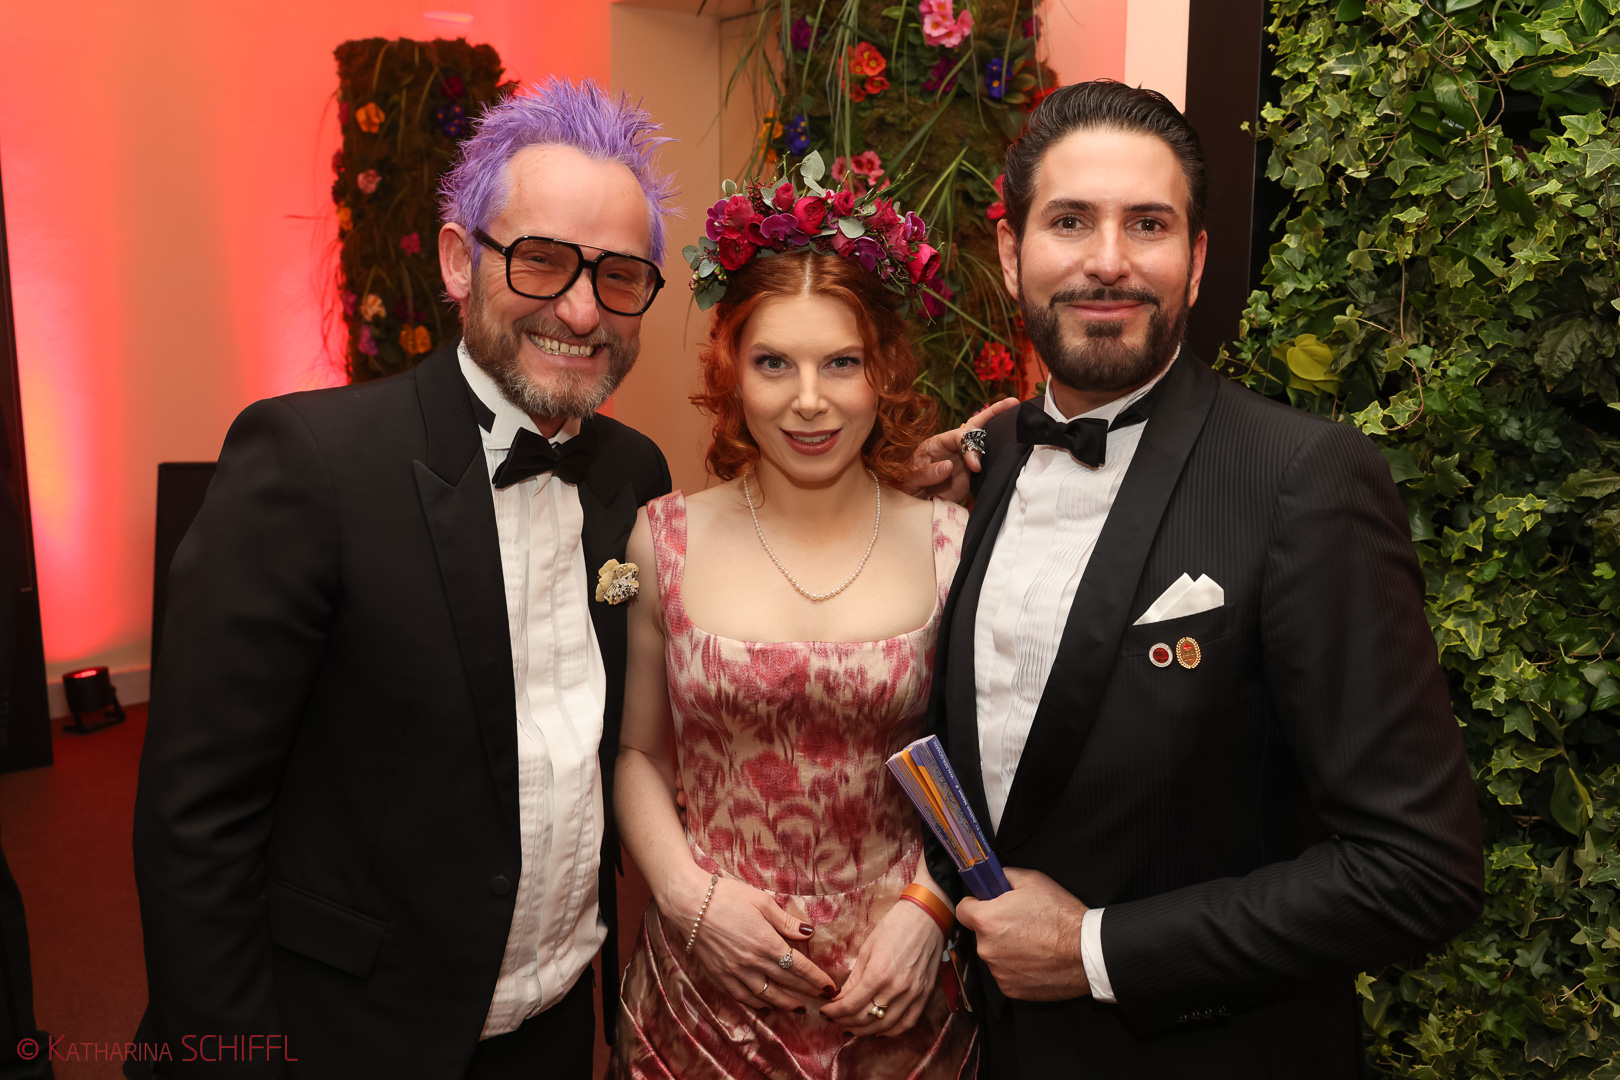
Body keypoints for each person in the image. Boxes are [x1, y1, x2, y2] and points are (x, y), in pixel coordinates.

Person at [928, 81, 1485, 1077]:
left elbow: (1420, 871)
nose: (1108, 259)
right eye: (1069, 221)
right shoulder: (997, 452)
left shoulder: (1303, 478)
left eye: (1148, 224)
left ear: (1195, 259)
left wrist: (1095, 950)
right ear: (1011, 254)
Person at [131, 78, 678, 1077]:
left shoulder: (635, 475)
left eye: (620, 275)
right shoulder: (311, 466)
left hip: (558, 1024)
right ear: (459, 261)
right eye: (541, 260)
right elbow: (195, 824)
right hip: (348, 1036)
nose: (581, 308)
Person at [609, 166, 979, 1079]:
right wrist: (688, 898)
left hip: (899, 987)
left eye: (840, 363)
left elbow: (985, 766)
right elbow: (640, 754)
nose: (808, 400)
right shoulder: (664, 539)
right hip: (706, 992)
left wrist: (931, 910)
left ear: (883, 369)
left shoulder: (953, 543)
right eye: (774, 362)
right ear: (730, 368)